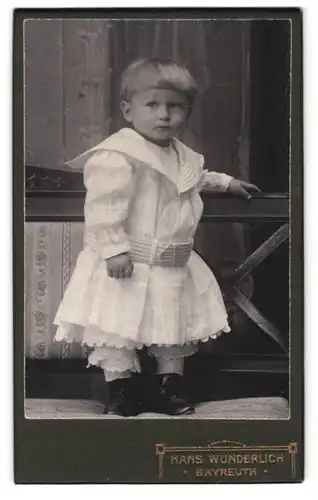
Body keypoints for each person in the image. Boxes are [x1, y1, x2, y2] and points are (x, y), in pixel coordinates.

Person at [54, 58, 260, 417]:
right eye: (152, 105)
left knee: (171, 324)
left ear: (187, 112)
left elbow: (194, 178)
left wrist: (226, 182)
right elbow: (104, 207)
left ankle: (170, 388)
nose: (164, 115)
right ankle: (121, 390)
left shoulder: (182, 155)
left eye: (174, 107)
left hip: (172, 262)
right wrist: (114, 249)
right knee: (118, 325)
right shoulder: (119, 156)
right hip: (127, 261)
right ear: (127, 110)